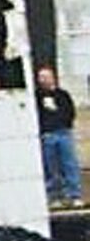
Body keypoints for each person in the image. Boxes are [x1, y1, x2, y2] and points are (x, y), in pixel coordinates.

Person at [36, 64, 82, 206]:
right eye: (41, 77)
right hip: (47, 134)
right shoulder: (37, 97)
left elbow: (70, 112)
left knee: (69, 164)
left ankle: (74, 195)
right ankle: (54, 196)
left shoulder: (62, 95)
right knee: (51, 167)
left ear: (53, 78)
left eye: (46, 77)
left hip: (63, 133)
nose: (43, 80)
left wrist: (61, 119)